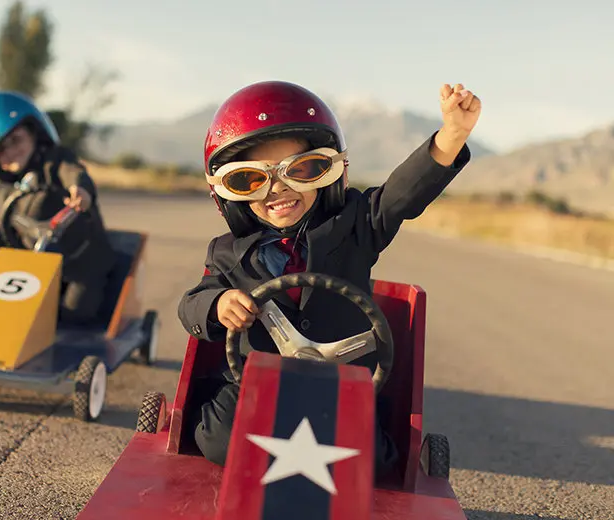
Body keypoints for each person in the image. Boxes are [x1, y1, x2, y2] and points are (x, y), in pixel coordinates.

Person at [178, 80, 481, 477]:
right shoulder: (225, 253)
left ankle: (325, 457)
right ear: (227, 192)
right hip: (255, 388)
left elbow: (400, 196)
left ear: (330, 170)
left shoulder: (354, 225)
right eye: (251, 179)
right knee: (217, 439)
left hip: (340, 390)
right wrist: (218, 304)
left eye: (300, 170)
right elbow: (192, 304)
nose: (278, 189)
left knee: (373, 464)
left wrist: (452, 135)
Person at [0, 91, 116, 325]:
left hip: (79, 264)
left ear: (34, 133)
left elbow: (73, 172)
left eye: (16, 140)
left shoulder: (56, 163)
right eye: (0, 150)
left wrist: (79, 190)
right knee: (4, 310)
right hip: (33, 270)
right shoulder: (9, 197)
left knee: (75, 312)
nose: (11, 151)